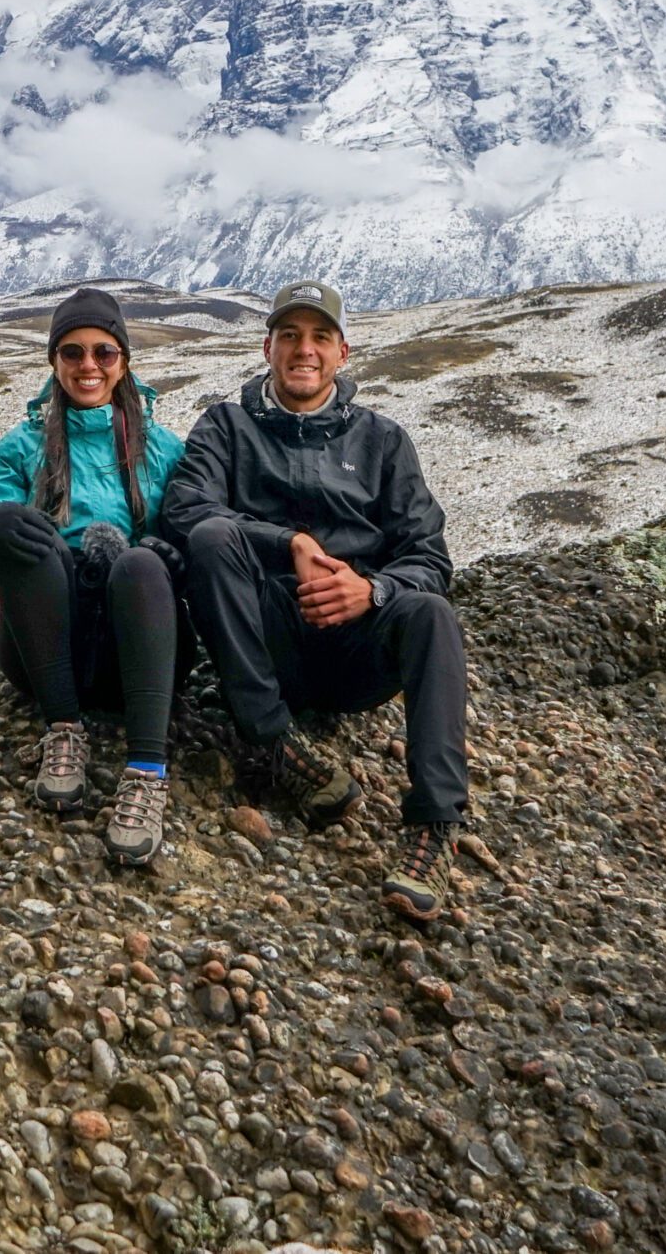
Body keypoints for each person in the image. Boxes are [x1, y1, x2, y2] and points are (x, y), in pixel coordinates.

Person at [161, 278, 471, 924]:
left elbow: (429, 556)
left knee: (431, 612)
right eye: (291, 336)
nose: (305, 349)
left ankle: (434, 821)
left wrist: (374, 588)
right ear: (268, 347)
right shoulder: (227, 424)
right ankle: (274, 741)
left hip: (357, 647)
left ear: (343, 353)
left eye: (320, 336)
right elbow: (186, 508)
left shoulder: (383, 441)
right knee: (214, 535)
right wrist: (289, 541)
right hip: (267, 644)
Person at [0, 287, 189, 865]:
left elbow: (192, 539)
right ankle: (63, 729)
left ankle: (146, 768)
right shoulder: (21, 448)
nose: (88, 365)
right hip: (45, 656)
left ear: (124, 361)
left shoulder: (163, 450)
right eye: (72, 352)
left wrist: (164, 555)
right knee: (28, 536)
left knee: (139, 561)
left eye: (103, 352)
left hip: (137, 652)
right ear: (54, 361)